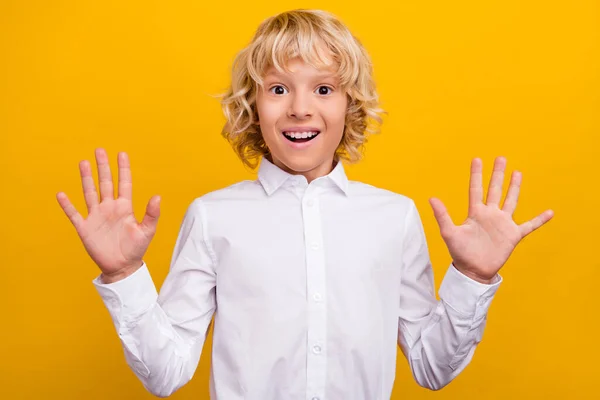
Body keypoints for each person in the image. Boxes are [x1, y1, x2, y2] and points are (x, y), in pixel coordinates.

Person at [56, 9, 553, 400]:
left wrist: (474, 279)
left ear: (349, 105)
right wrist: (125, 276)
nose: (299, 107)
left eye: (322, 88)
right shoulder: (214, 217)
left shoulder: (393, 218)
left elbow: (432, 368)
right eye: (277, 88)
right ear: (253, 106)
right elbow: (165, 374)